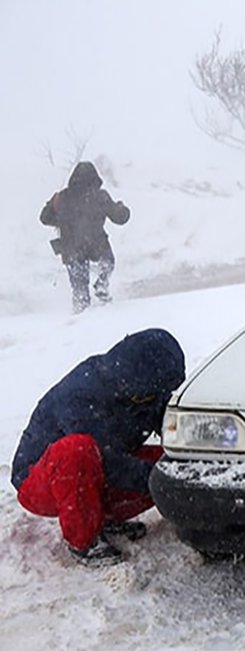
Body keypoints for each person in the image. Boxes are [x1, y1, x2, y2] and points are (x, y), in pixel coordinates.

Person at [11, 329, 186, 566]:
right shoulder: (81, 394)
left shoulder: (145, 388)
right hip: (40, 482)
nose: (160, 397)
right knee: (78, 450)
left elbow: (169, 426)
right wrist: (160, 481)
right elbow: (109, 462)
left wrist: (187, 470)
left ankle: (99, 519)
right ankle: (83, 542)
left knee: (170, 463)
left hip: (94, 472)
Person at [40, 161, 130, 313]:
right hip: (97, 245)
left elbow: (45, 218)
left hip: (72, 250)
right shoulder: (100, 197)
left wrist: (53, 208)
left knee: (80, 291)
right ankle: (102, 284)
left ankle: (81, 315)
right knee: (108, 263)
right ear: (95, 178)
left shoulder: (63, 197)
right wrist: (123, 208)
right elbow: (119, 217)